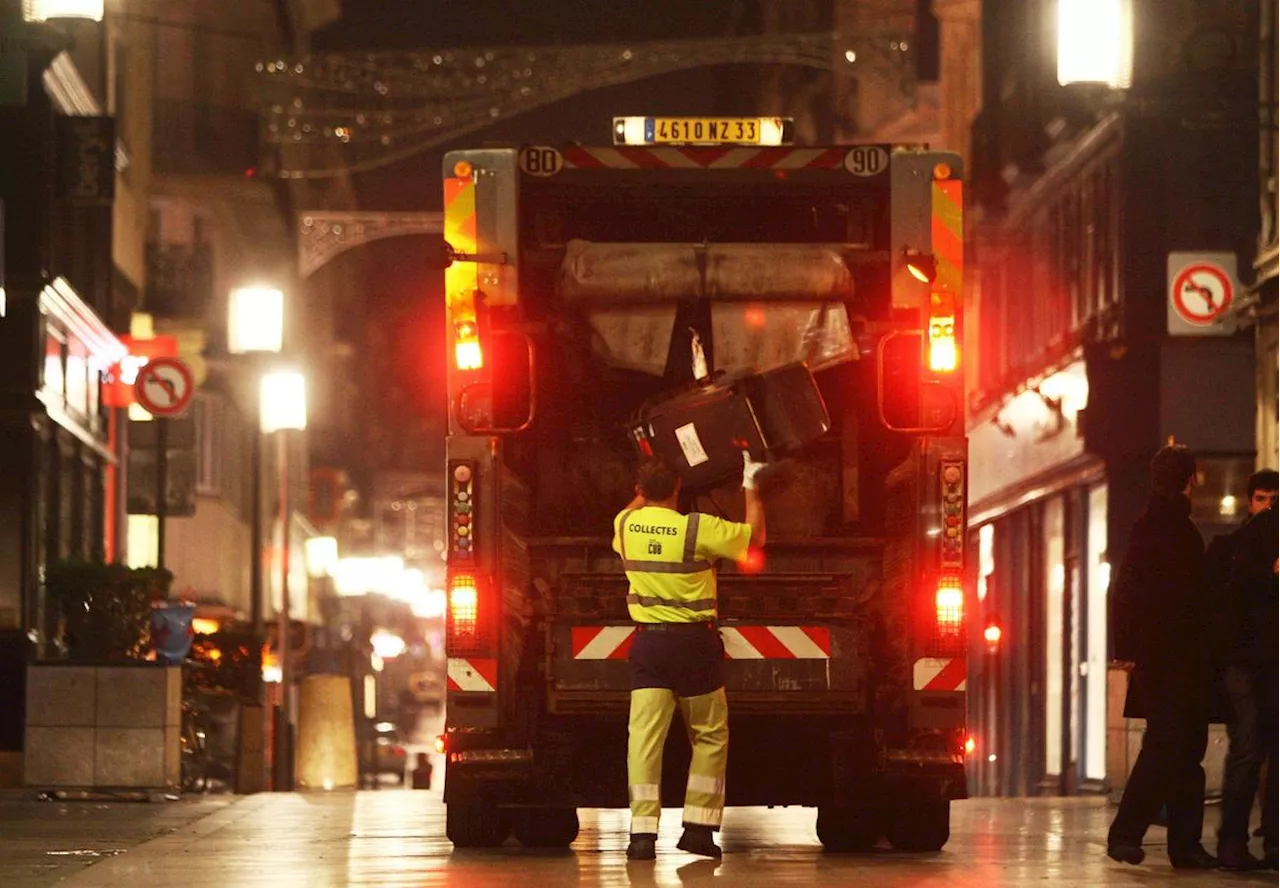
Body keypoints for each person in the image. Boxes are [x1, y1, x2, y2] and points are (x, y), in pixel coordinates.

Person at [614, 452, 766, 861]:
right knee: (709, 736)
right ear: (679, 491)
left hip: (649, 646)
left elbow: (634, 509)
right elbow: (755, 540)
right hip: (694, 646)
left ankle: (642, 836)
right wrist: (752, 484)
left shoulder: (625, 525)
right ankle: (698, 831)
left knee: (644, 740)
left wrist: (643, 490)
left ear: (639, 492)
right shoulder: (697, 529)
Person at [1107, 444, 1218, 869]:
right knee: (1170, 746)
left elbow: (1127, 591)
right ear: (1190, 478)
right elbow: (1134, 592)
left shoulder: (1157, 525)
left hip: (1170, 659)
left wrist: (1128, 650)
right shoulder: (1167, 529)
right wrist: (1129, 651)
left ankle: (1184, 845)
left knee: (1185, 747)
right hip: (1173, 660)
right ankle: (1127, 834)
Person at [1211, 470, 1280, 870]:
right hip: (1243, 661)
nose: (1267, 507)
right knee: (1249, 747)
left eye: (1274, 499)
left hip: (1266, 663)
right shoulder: (1231, 548)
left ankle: (1266, 837)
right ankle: (1233, 840)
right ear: (1247, 502)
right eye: (1261, 498)